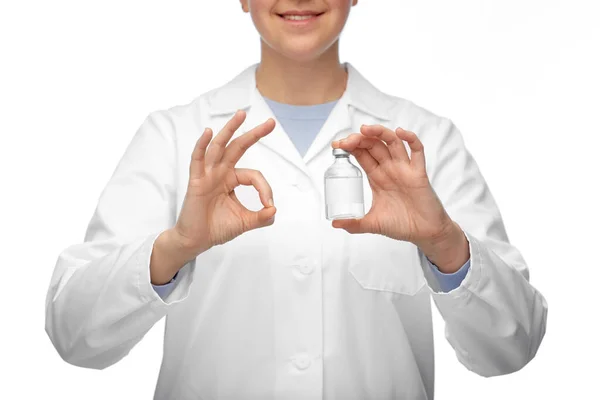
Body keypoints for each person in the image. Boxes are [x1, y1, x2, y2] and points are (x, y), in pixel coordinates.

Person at [45, 1, 548, 399]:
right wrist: (174, 248)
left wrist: (444, 244)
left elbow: (511, 346)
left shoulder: (425, 141)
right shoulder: (174, 137)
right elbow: (75, 332)